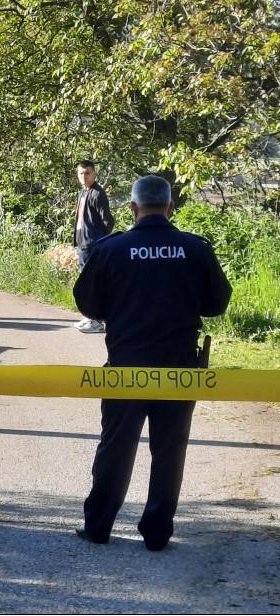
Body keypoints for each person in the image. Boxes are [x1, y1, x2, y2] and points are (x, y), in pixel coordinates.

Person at [73, 175, 231, 551]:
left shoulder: (111, 249)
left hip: (126, 368)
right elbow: (217, 304)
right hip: (180, 370)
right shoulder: (194, 249)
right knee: (169, 450)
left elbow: (88, 305)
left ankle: (99, 526)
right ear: (171, 207)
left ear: (132, 208)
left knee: (115, 447)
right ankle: (157, 533)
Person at [72, 160, 114, 333]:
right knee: (85, 282)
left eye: (87, 173)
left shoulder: (97, 194)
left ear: (94, 174)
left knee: (92, 283)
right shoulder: (83, 192)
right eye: (81, 173)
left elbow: (108, 220)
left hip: (92, 245)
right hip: (82, 244)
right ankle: (90, 316)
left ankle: (96, 320)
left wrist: (100, 242)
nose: (84, 176)